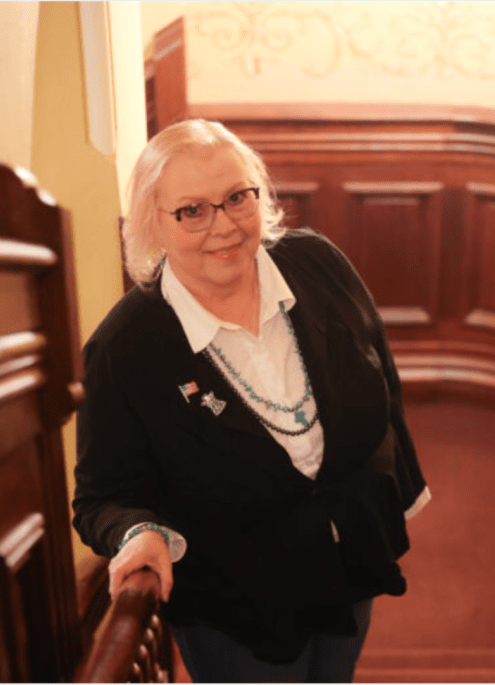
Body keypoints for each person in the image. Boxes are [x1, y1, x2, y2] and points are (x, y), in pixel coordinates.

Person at [72, 119, 430, 682]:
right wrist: (138, 532)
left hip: (349, 560)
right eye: (192, 210)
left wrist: (394, 495)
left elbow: (379, 372)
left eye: (237, 197)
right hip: (237, 609)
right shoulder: (125, 348)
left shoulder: (318, 264)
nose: (224, 225)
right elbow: (101, 498)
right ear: (152, 223)